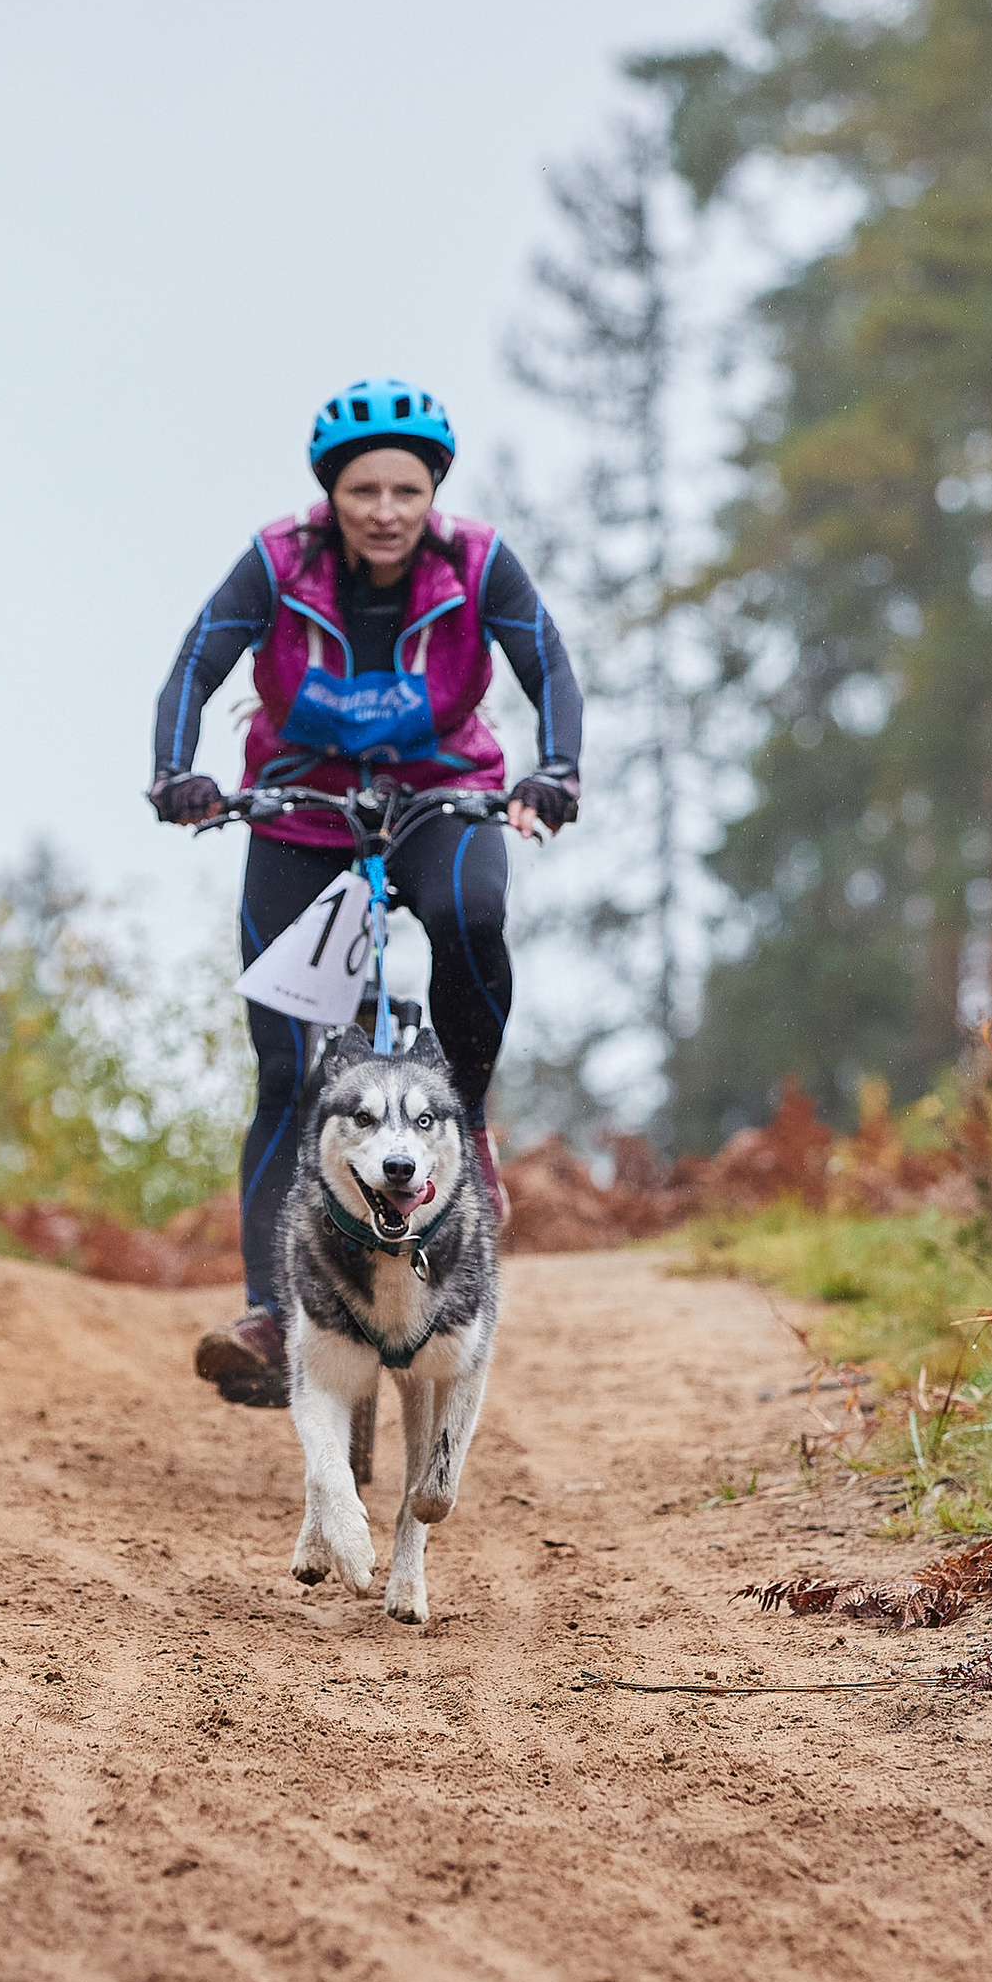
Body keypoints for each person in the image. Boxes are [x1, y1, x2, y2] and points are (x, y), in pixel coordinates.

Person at [147, 377, 585, 1405]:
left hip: (443, 789)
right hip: (300, 804)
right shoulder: (278, 561)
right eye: (362, 491)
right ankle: (272, 1314)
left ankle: (464, 1116)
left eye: (405, 491)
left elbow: (549, 668)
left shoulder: (476, 562)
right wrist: (176, 773)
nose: (385, 511)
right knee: (286, 1068)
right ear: (330, 495)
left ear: (433, 492)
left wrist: (556, 772)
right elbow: (196, 663)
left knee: (472, 914)